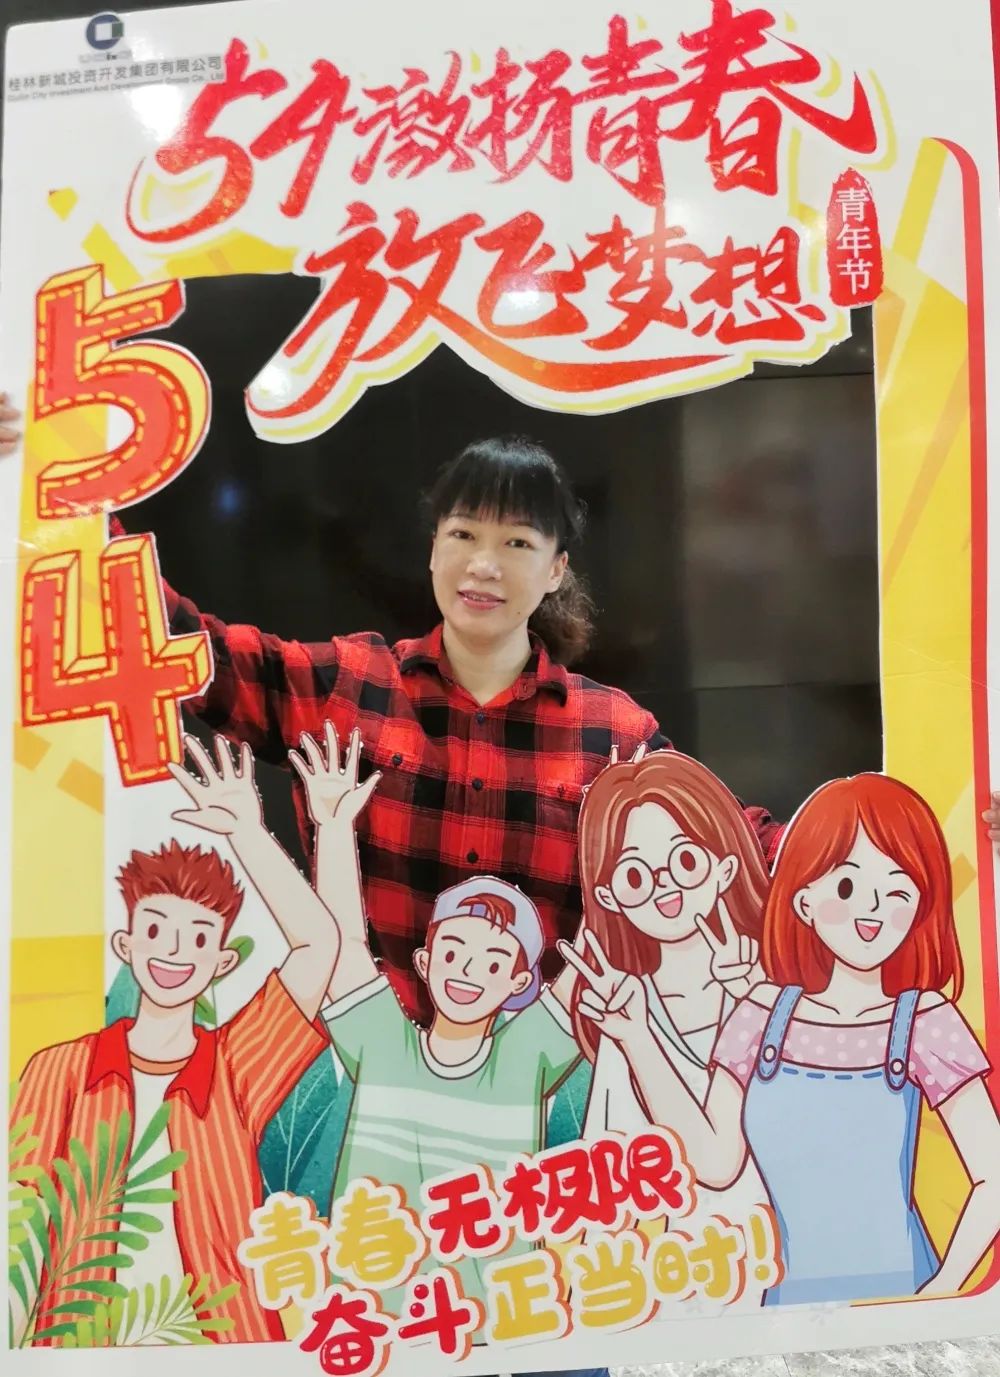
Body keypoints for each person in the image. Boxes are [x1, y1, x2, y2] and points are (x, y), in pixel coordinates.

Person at [567, 773, 1000, 1306]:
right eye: (846, 887)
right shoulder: (760, 1013)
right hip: (781, 1310)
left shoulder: (924, 1021)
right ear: (804, 900)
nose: (871, 910)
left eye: (898, 891)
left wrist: (941, 1294)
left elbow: (992, 1174)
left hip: (899, 1296)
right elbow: (713, 1163)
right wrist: (638, 1038)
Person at [11, 736, 338, 1344]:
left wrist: (247, 833)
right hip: (83, 1349)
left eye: (198, 938)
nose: (174, 952)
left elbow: (319, 943)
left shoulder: (236, 1063)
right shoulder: (60, 1068)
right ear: (126, 944)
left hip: (226, 1344)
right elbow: (18, 1219)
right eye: (156, 930)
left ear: (222, 961)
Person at [291, 723, 582, 1319]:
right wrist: (335, 827)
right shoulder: (383, 1044)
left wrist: (617, 837)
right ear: (424, 962)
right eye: (453, 951)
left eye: (494, 961)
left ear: (519, 984)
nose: (468, 970)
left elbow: (594, 962)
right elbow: (344, 944)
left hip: (497, 1330)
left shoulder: (524, 1055)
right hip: (374, 1330)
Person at [570, 749, 773, 1309]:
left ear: (725, 866)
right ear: (608, 896)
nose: (665, 887)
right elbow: (607, 1174)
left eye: (684, 861)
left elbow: (722, 1159)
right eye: (636, 875)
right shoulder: (625, 1008)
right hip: (682, 1282)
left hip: (786, 1270)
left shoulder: (771, 989)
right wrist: (588, 1307)